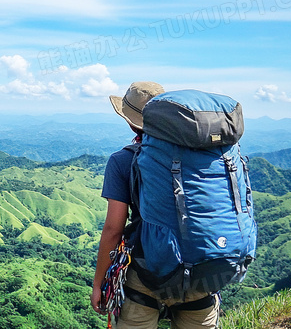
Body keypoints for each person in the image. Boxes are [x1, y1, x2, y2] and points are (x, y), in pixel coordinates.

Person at [90, 81, 220, 329]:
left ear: (129, 120)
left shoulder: (122, 160)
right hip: (201, 271)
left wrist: (100, 284)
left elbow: (113, 230)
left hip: (145, 274)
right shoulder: (202, 156)